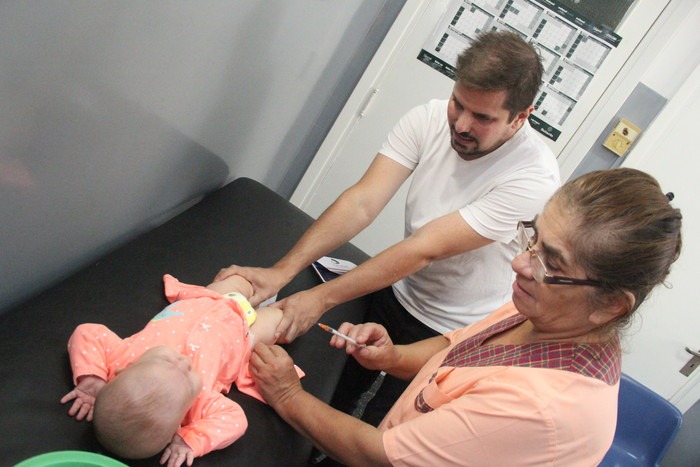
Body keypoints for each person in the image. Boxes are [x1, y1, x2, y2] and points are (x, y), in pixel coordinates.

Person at [216, 30, 561, 424]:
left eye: (482, 117)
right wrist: (282, 271)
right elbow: (362, 202)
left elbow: (425, 249)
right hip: (399, 291)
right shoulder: (429, 118)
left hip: (452, 329)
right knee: (334, 396)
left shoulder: (533, 178)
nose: (462, 124)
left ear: (521, 117)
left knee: (383, 425)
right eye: (458, 103)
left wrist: (319, 300)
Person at [249, 168, 682, 466]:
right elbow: (456, 349)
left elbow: (378, 455)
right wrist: (392, 357)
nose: (520, 263)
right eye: (533, 239)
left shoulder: (540, 408)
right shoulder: (549, 310)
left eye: (551, 262)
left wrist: (288, 395)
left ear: (611, 304)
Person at [60, 273, 294, 467]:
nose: (183, 363)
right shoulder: (198, 404)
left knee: (243, 280)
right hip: (243, 336)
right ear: (179, 423)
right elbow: (236, 421)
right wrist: (190, 441)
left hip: (207, 298)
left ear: (123, 371)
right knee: (283, 319)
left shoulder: (120, 358)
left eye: (166, 361)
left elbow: (87, 332)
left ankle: (269, 279)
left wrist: (92, 379)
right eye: (189, 379)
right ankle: (288, 306)